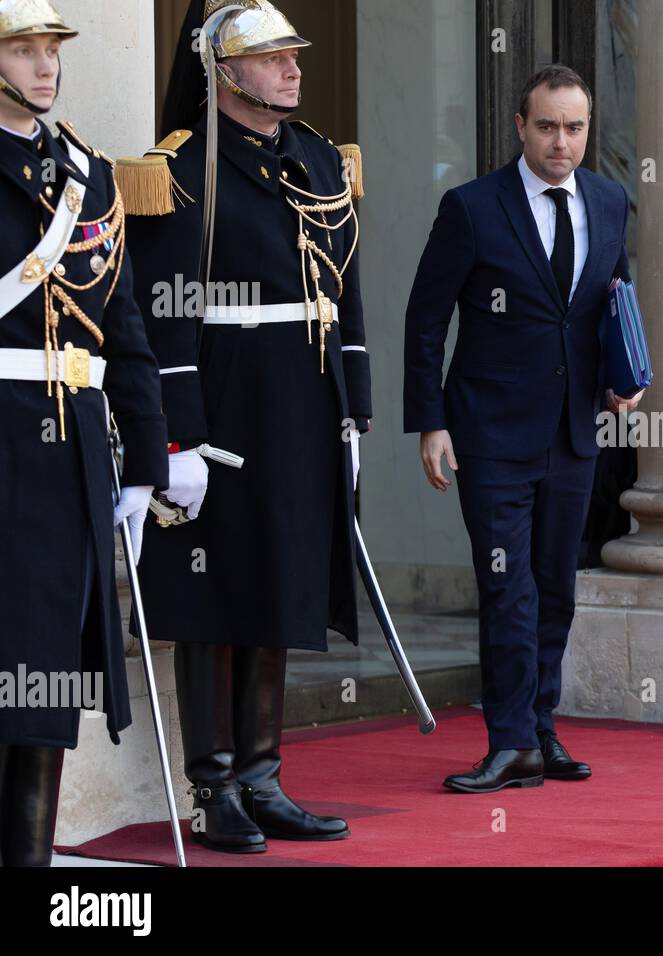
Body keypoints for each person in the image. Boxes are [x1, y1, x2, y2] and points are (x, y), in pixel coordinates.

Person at [120, 0, 369, 852]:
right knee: (214, 593)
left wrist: (355, 405)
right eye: (272, 58)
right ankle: (212, 783)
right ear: (223, 73)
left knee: (281, 582)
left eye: (293, 54)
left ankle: (263, 775)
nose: (294, 68)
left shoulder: (318, 160)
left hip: (303, 400)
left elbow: (345, 290)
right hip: (224, 404)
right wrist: (177, 438)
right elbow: (164, 310)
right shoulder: (181, 167)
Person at [405, 64, 641, 793]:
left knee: (555, 586)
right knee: (508, 587)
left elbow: (613, 294)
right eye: (546, 127)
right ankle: (509, 741)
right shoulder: (472, 207)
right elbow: (425, 319)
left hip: (574, 432)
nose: (561, 142)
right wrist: (430, 422)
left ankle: (541, 728)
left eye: (574, 128)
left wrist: (624, 372)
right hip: (490, 431)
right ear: (520, 127)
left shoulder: (608, 201)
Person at [0, 0, 167, 865]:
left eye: (50, 49)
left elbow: (125, 326)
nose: (45, 66)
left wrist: (145, 459)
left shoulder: (89, 176)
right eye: (23, 50)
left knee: (48, 682)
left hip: (72, 454)